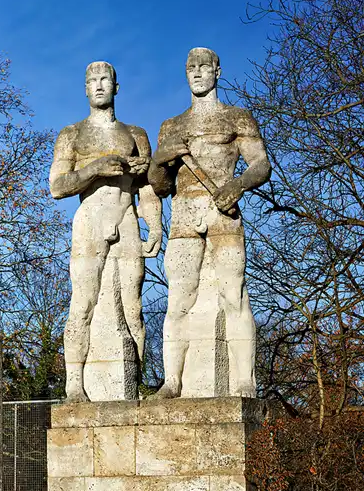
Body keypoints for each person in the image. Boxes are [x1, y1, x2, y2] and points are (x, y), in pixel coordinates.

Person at [148, 47, 272, 398]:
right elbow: (160, 185)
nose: (197, 72)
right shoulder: (171, 127)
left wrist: (237, 185)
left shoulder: (237, 117)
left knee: (234, 294)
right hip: (184, 215)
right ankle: (173, 382)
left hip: (223, 213)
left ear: (218, 71)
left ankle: (245, 381)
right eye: (191, 67)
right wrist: (160, 160)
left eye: (204, 66)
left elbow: (260, 164)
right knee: (178, 300)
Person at [50, 61, 165, 402]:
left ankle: (135, 385)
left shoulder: (135, 133)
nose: (99, 85)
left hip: (126, 217)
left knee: (133, 307)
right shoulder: (72, 133)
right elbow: (57, 186)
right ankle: (74, 386)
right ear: (85, 88)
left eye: (105, 79)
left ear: (117, 86)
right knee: (82, 302)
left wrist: (155, 224)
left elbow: (147, 188)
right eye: (92, 80)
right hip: (90, 218)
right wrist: (95, 168)